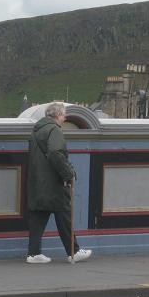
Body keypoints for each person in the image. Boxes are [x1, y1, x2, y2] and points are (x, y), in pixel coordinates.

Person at [25, 102, 92, 264]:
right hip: (53, 183)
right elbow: (56, 153)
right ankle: (74, 252)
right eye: (63, 115)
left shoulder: (36, 131)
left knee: (38, 217)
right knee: (64, 215)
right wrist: (68, 174)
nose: (65, 118)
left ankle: (33, 254)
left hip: (37, 182)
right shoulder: (54, 130)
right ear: (57, 115)